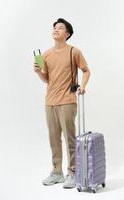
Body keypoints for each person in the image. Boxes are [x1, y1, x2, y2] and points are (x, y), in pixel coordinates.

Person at [34, 18, 90, 189]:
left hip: (67, 100)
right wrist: (38, 72)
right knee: (54, 139)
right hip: (50, 101)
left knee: (70, 138)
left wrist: (83, 86)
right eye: (54, 28)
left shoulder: (74, 51)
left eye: (60, 28)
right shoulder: (46, 54)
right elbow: (47, 79)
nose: (55, 30)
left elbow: (86, 70)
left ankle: (72, 172)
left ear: (67, 34)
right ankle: (57, 172)